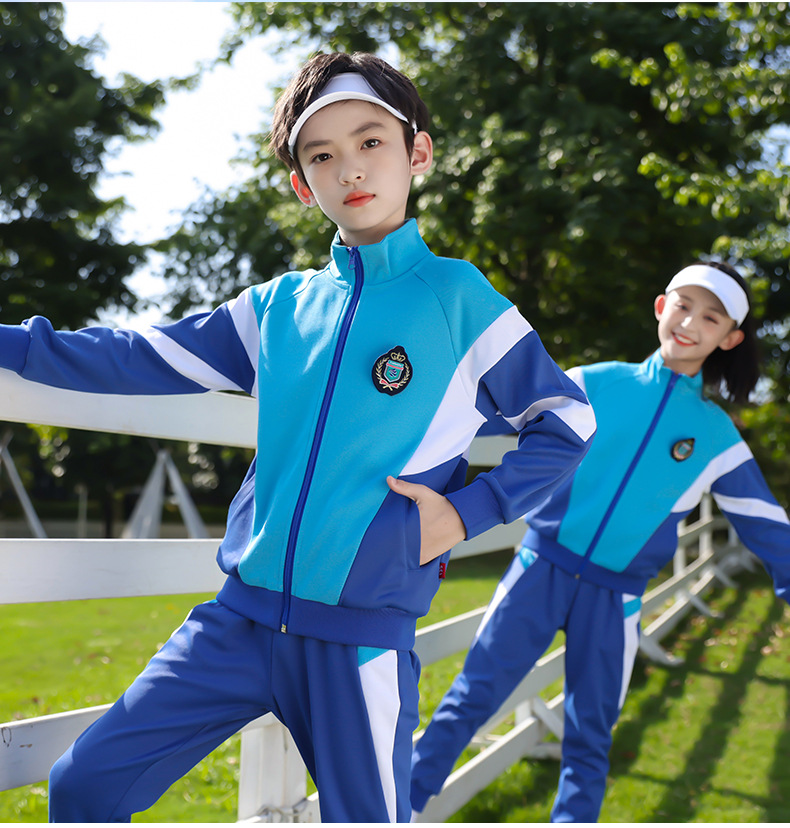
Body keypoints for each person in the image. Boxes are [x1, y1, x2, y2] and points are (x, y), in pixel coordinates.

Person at [0, 52, 595, 822]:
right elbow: (137, 356)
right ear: (301, 184)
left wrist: (466, 514)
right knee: (84, 785)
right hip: (235, 624)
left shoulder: (460, 299)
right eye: (322, 155)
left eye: (370, 141)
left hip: (360, 643)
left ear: (417, 151)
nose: (351, 168)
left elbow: (567, 421)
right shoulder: (276, 308)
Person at [410, 262, 790, 823]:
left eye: (710, 318)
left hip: (615, 600)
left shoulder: (717, 435)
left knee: (589, 737)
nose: (690, 323)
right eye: (684, 305)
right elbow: (477, 421)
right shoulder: (592, 382)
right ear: (661, 307)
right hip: (539, 569)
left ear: (728, 338)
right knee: (470, 699)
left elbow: (766, 523)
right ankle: (395, 810)